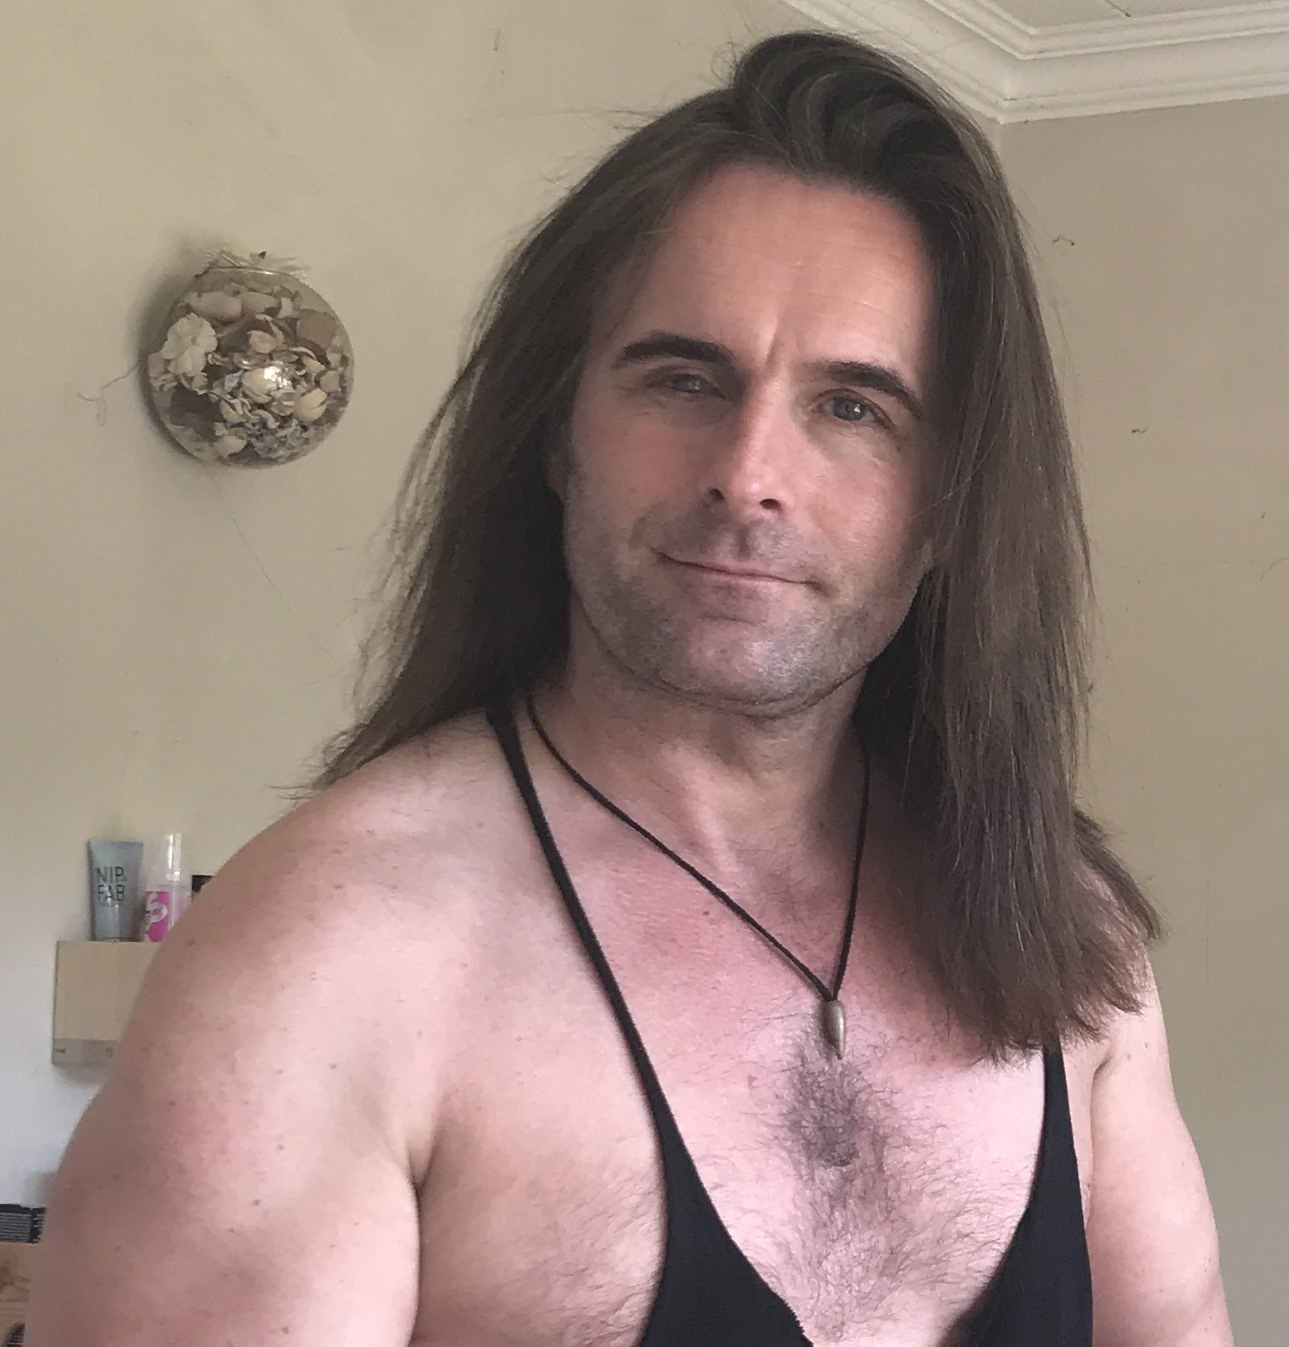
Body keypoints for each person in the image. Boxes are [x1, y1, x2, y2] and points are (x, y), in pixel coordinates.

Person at [28, 31, 1232, 1347]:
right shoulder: (326, 964)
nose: (748, 474)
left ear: (948, 504)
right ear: (558, 434)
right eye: (683, 379)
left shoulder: (1063, 931)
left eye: (854, 408)